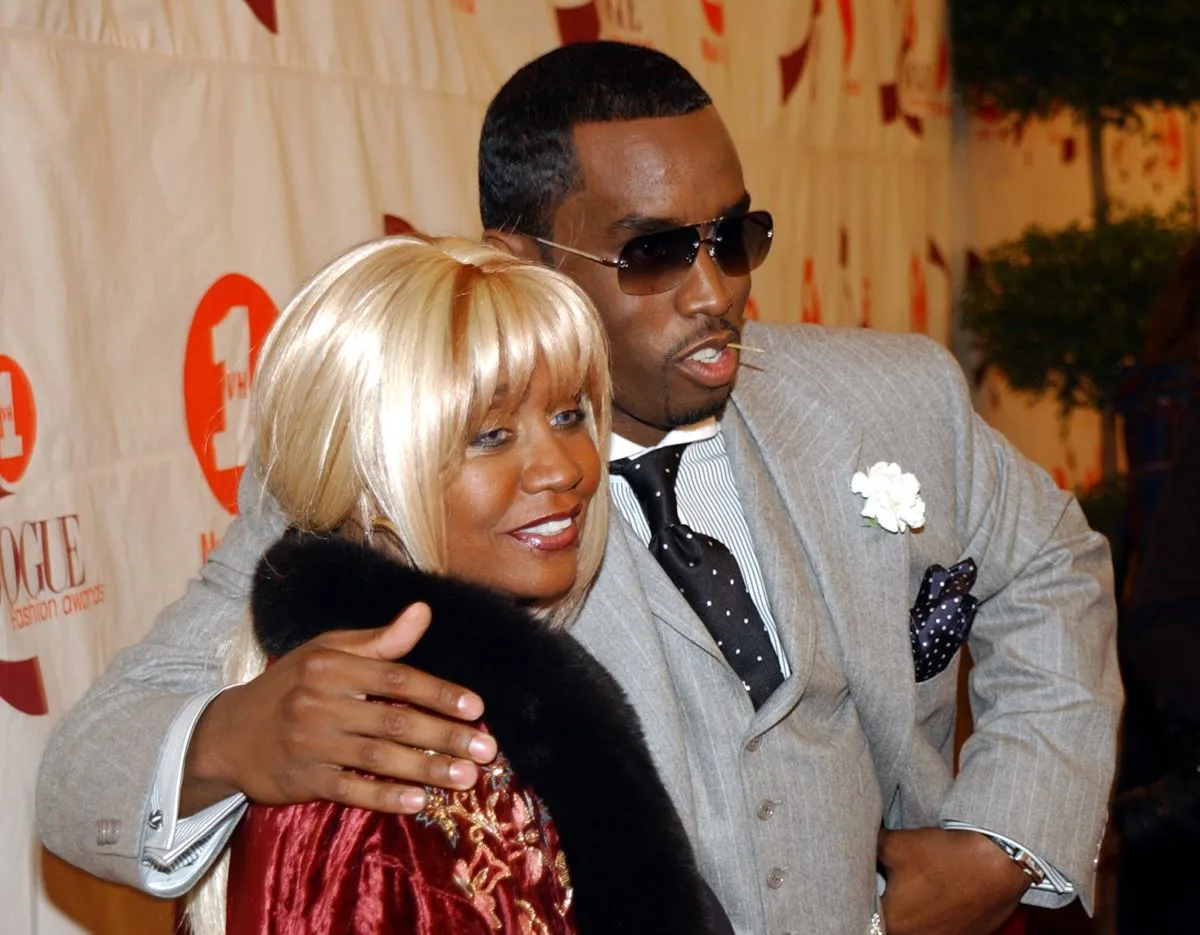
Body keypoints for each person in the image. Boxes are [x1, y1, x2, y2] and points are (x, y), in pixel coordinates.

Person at [38, 42, 1121, 935]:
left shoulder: (893, 396)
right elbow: (83, 774)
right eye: (653, 252)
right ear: (521, 259)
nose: (717, 293)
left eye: (736, 236)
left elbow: (1054, 566)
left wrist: (1004, 837)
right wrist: (232, 735)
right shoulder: (383, 486)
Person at [180, 233, 731, 934]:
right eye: (490, 436)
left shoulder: (482, 709)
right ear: (367, 477)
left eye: (568, 415)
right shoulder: (377, 775)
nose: (562, 467)